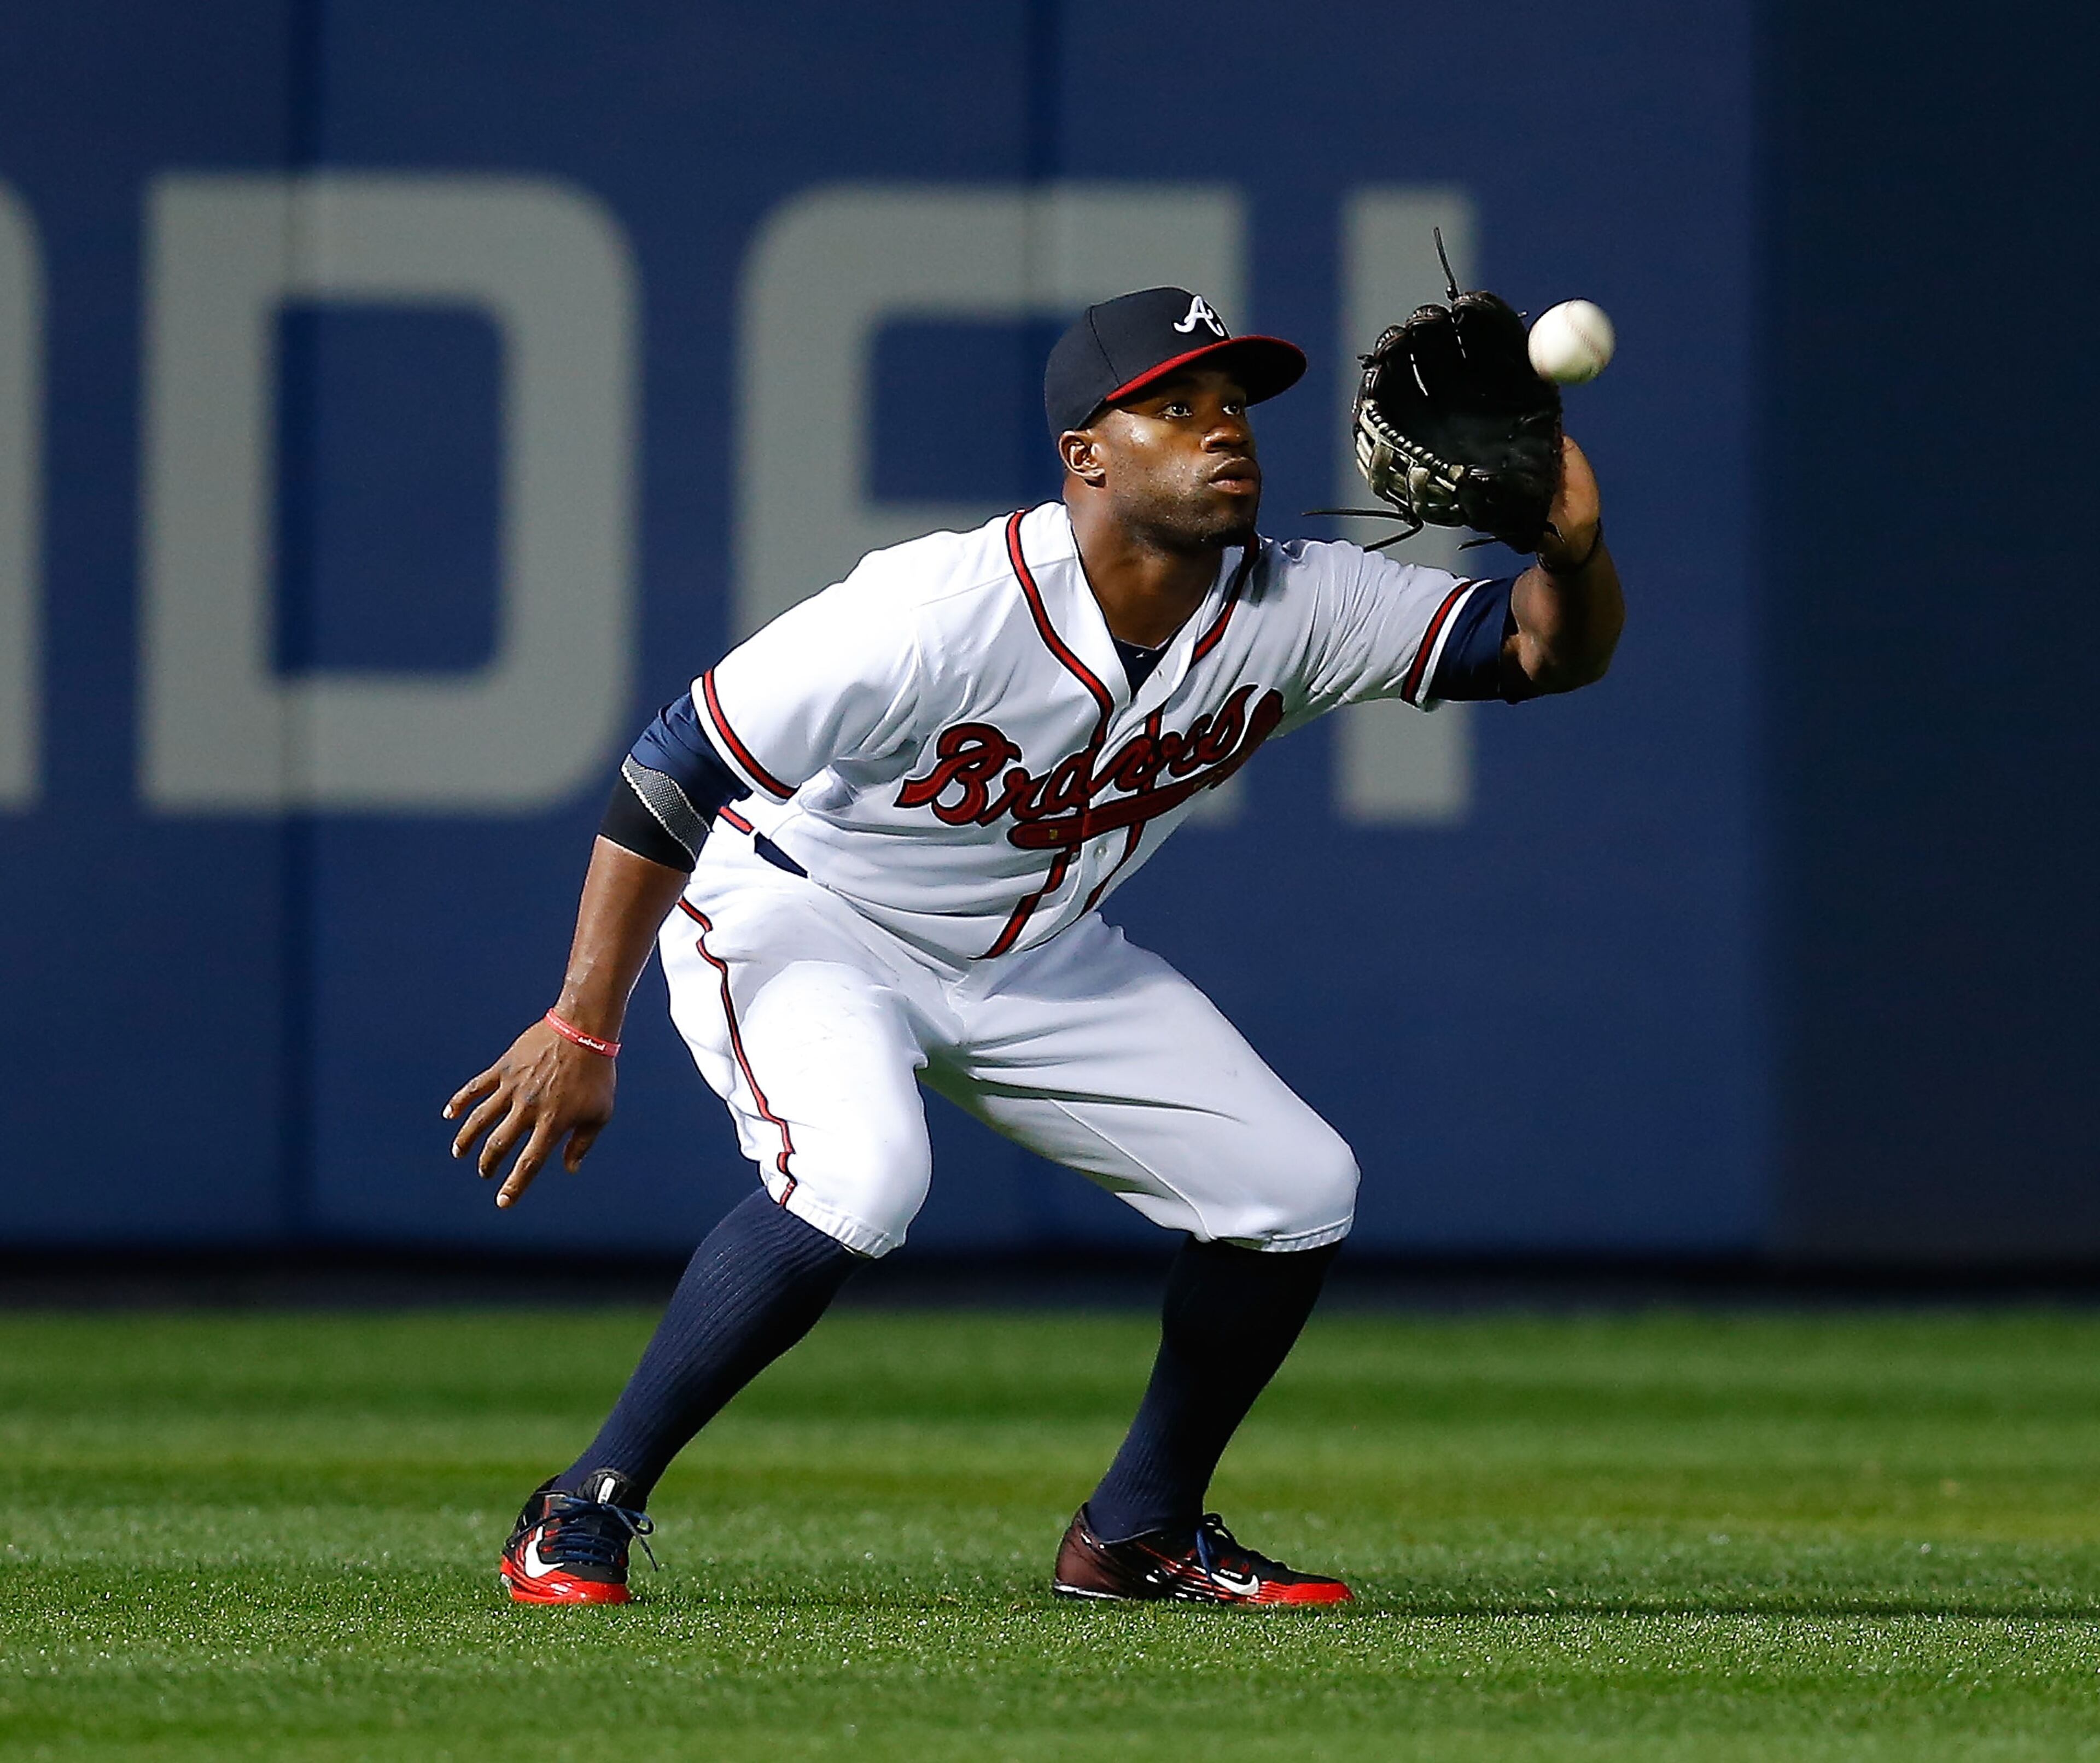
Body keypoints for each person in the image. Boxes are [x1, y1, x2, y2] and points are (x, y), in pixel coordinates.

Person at [446, 286, 1623, 1606]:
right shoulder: (935, 607)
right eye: (1173, 407)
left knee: (1295, 1187)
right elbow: (674, 766)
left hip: (1033, 951)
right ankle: (581, 1505)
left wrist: (1571, 553)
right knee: (861, 1181)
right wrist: (583, 1024)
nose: (1222, 431)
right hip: (807, 914)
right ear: (1088, 456)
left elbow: (1537, 652)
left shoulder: (1306, 601)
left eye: (1234, 405)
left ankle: (1137, 1532)